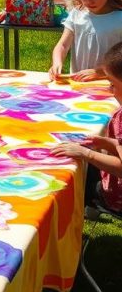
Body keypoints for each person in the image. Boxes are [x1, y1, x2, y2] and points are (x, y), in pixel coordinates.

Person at [52, 40, 122, 212]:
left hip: (117, 196)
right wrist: (105, 143)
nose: (109, 90)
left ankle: (73, 234)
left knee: (71, 179)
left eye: (112, 84)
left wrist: (87, 154)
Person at [50, 0, 122, 82]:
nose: (89, 1)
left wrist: (100, 72)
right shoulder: (76, 15)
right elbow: (63, 45)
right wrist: (57, 62)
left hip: (111, 86)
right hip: (79, 85)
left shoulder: (119, 19)